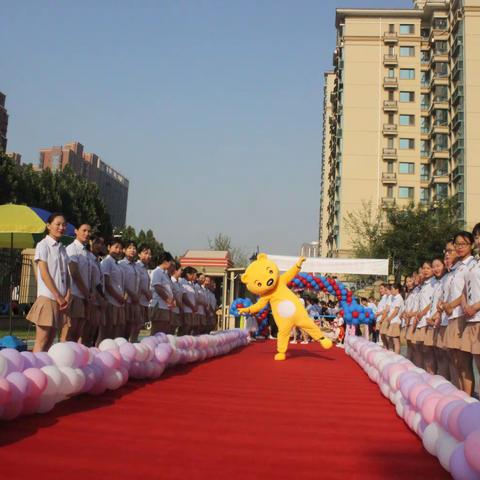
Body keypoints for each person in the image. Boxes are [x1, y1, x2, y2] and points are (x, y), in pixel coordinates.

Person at [27, 213, 70, 352]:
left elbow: (66, 275)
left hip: (61, 301)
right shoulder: (43, 245)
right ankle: (34, 371)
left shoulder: (63, 248)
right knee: (42, 340)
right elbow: (44, 273)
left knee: (51, 340)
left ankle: (44, 370)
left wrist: (68, 294)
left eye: (64, 225)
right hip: (48, 297)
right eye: (58, 224)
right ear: (48, 226)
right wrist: (58, 296)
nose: (61, 227)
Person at [62, 223, 92, 343]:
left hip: (83, 295)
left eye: (89, 231)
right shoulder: (71, 248)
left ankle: (74, 359)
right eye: (84, 230)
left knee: (78, 332)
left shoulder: (86, 252)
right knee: (69, 330)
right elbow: (74, 272)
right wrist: (86, 292)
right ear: (76, 231)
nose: (87, 234)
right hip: (74, 294)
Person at [460, 223, 480, 397]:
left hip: (478, 314)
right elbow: (465, 289)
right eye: (477, 237)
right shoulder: (475, 263)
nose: (479, 240)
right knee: (472, 361)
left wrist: (475, 306)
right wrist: (466, 304)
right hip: (471, 317)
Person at [422, 259, 445, 374]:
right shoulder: (437, 283)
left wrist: (435, 316)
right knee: (429, 351)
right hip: (431, 320)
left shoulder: (438, 283)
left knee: (443, 355)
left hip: (440, 321)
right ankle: (431, 377)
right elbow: (432, 303)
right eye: (433, 266)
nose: (435, 269)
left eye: (438, 266)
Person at [412, 261, 436, 368]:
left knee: (428, 352)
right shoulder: (425, 285)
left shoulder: (434, 283)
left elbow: (432, 302)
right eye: (424, 268)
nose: (425, 271)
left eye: (428, 268)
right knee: (420, 349)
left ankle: (430, 375)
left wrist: (422, 313)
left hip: (428, 320)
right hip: (420, 321)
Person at [101, 238, 125, 340]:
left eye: (120, 248)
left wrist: (122, 297)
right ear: (109, 247)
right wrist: (118, 297)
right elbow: (106, 283)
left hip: (118, 302)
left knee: (116, 334)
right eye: (116, 247)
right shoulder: (107, 262)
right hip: (110, 301)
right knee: (106, 334)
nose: (118, 250)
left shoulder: (117, 264)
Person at [86, 236, 107, 347]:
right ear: (90, 242)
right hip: (92, 298)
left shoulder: (97, 260)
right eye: (97, 242)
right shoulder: (88, 258)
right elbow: (95, 281)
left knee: (95, 328)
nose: (100, 246)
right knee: (88, 329)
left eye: (102, 243)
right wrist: (101, 297)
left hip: (98, 300)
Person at [119, 241, 141, 341]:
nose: (132, 250)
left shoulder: (137, 266)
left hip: (135, 301)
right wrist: (131, 294)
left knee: (134, 327)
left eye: (134, 248)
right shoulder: (121, 264)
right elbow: (121, 282)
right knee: (123, 327)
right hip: (125, 300)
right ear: (124, 250)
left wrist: (137, 296)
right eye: (129, 248)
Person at [150, 252, 175, 335]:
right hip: (159, 305)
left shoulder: (165, 274)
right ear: (165, 261)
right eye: (170, 262)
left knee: (163, 330)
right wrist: (168, 299)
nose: (171, 264)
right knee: (157, 330)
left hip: (165, 306)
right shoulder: (157, 272)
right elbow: (157, 287)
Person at [136, 244, 152, 340]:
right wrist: (146, 293)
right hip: (137, 301)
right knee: (134, 327)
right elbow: (138, 283)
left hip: (144, 302)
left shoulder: (145, 268)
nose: (148, 256)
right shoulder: (137, 266)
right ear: (139, 254)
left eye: (150, 254)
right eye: (145, 253)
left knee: (139, 327)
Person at [385, 284, 404, 354]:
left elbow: (396, 311)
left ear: (397, 290)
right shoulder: (394, 298)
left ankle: (396, 357)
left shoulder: (399, 298)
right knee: (390, 339)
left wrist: (389, 318)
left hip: (395, 321)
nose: (391, 290)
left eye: (392, 289)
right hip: (392, 321)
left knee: (395, 340)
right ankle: (391, 354)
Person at [179, 266, 197, 335]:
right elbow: (184, 297)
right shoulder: (182, 282)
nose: (195, 276)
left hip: (191, 310)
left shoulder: (190, 284)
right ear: (188, 274)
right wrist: (192, 306)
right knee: (185, 328)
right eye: (194, 274)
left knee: (189, 328)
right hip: (186, 309)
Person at [170, 261, 183, 335]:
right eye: (180, 270)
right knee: (169, 328)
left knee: (174, 328)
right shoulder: (171, 281)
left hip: (177, 309)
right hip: (172, 309)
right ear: (175, 271)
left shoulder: (179, 283)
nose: (181, 272)